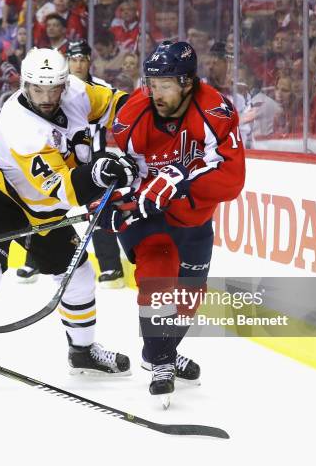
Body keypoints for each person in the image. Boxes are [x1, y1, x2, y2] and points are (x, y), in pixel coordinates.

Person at [0, 48, 137, 388]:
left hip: (43, 210)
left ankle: (82, 352)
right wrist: (101, 172)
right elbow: (62, 189)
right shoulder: (19, 126)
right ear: (24, 84)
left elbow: (120, 105)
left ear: (63, 84)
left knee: (79, 278)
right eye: (37, 90)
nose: (46, 98)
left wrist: (160, 124)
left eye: (53, 89)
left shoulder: (76, 90)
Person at [102, 41, 245, 406]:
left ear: (187, 83)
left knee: (189, 299)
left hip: (193, 216)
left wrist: (180, 180)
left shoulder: (214, 110)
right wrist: (116, 195)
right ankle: (163, 362)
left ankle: (157, 350)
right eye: (152, 82)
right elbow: (119, 165)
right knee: (159, 267)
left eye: (165, 84)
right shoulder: (135, 111)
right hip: (146, 217)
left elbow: (232, 179)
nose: (156, 92)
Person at [17, 39, 126, 287]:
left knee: (99, 210)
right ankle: (34, 261)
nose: (78, 63)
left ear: (89, 61)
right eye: (73, 59)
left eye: (82, 59)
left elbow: (117, 117)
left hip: (93, 159)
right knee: (41, 208)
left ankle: (110, 267)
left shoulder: (97, 88)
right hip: (56, 157)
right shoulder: (51, 89)